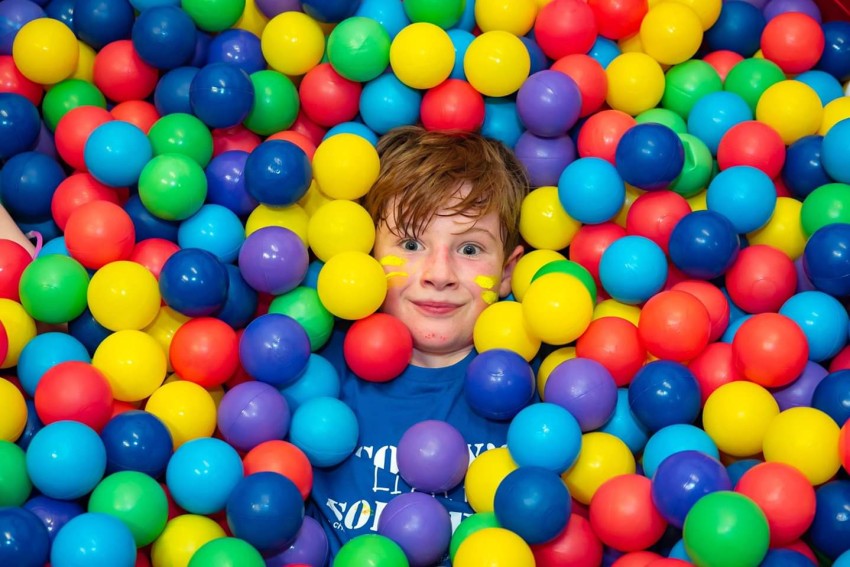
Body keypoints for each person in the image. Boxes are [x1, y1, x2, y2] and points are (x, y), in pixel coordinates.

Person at [309, 125, 531, 562]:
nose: (439, 273)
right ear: (365, 253)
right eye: (411, 243)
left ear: (507, 272)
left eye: (469, 249)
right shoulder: (316, 375)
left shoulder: (539, 385)